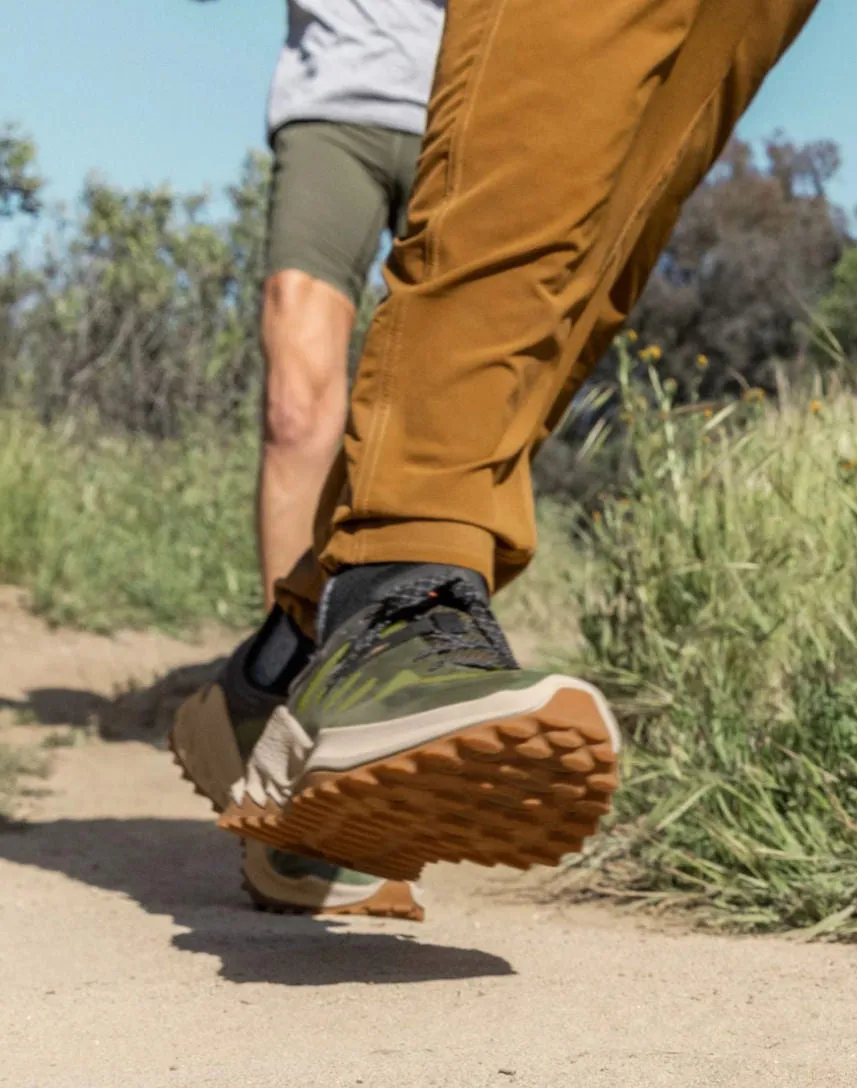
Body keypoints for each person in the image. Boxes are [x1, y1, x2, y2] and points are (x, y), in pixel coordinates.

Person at [175, 0, 821, 892]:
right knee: (549, 121)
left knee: (605, 236)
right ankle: (398, 587)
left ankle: (292, 653)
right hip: (345, 101)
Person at [171, 0, 446, 920]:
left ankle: (389, 746)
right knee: (297, 404)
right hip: (340, 97)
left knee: (445, 423)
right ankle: (277, 717)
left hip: (476, 105)